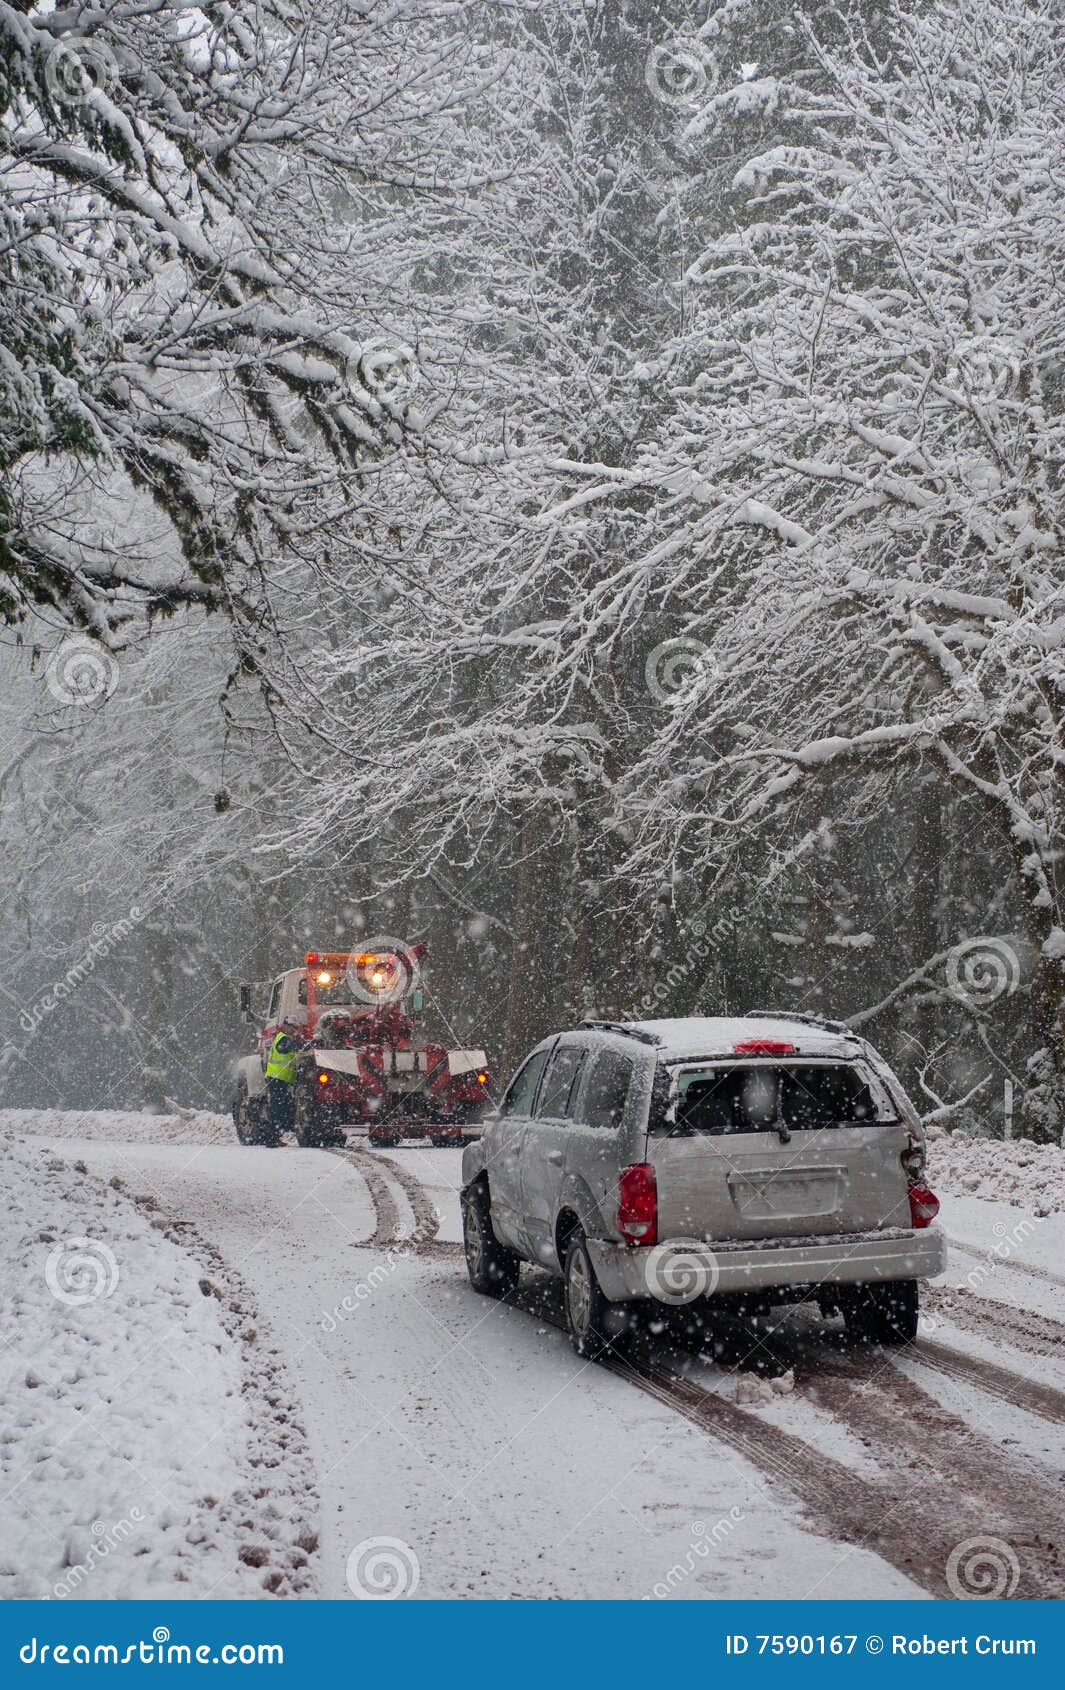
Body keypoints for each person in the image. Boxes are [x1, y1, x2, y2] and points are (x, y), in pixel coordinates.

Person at [265, 1018, 307, 1134]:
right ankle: (271, 1137)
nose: (295, 1031)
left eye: (296, 1029)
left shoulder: (286, 1038)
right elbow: (287, 1047)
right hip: (277, 1079)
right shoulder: (282, 1039)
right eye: (293, 1028)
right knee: (277, 1108)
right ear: (286, 1026)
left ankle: (276, 1134)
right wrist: (305, 1044)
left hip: (282, 1079)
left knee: (282, 1107)